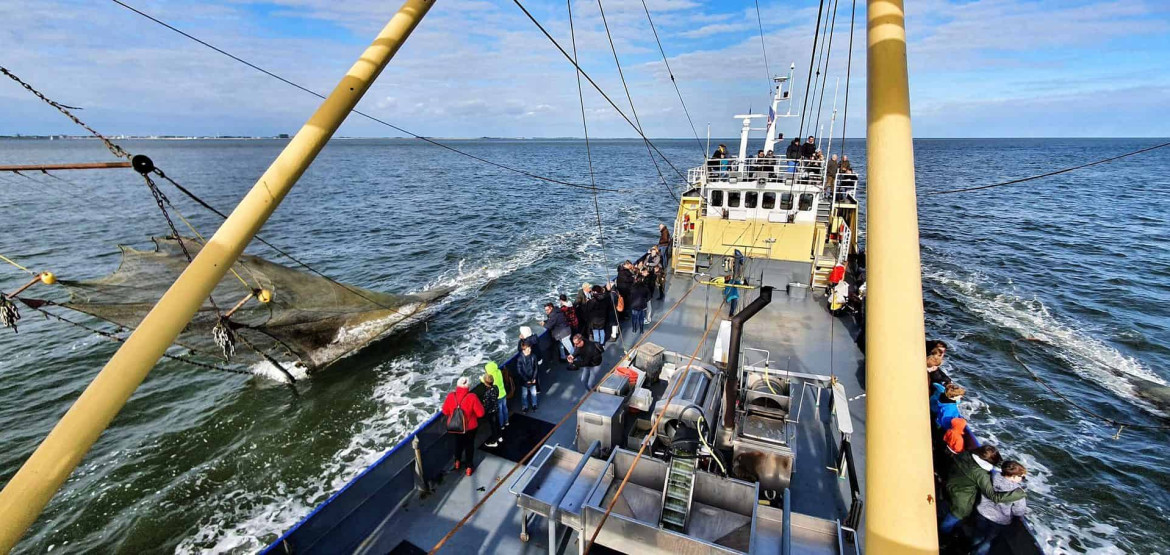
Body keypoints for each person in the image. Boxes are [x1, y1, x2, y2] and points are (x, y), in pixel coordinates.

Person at [941, 445, 1026, 534]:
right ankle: (943, 535)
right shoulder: (980, 474)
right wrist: (1019, 493)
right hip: (962, 496)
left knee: (950, 505)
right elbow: (994, 496)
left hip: (952, 484)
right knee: (957, 515)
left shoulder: (966, 454)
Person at [971, 461, 1028, 555]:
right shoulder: (1017, 492)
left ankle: (971, 548)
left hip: (982, 512)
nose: (1022, 479)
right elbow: (1018, 511)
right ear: (1013, 476)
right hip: (998, 520)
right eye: (1022, 477)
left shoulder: (991, 476)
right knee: (988, 540)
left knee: (978, 534)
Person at [442, 376, 485, 476]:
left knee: (458, 443)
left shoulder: (450, 396)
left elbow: (445, 411)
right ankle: (469, 467)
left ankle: (457, 462)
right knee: (469, 445)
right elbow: (480, 414)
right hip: (470, 427)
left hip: (455, 427)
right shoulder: (472, 397)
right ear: (468, 387)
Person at [479, 373, 502, 448]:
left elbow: (486, 405)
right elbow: (497, 395)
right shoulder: (495, 387)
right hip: (496, 408)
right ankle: (499, 436)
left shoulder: (487, 393)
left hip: (490, 411)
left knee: (493, 426)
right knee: (497, 423)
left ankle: (494, 441)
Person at [484, 361, 509, 429]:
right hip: (503, 393)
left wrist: (482, 378)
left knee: (500, 411)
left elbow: (488, 381)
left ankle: (501, 425)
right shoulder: (499, 372)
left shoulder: (492, 376)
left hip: (498, 397)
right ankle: (507, 421)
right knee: (505, 408)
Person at [516, 342, 539, 412]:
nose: (529, 350)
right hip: (524, 380)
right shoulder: (520, 359)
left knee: (534, 393)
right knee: (524, 394)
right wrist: (526, 380)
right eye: (527, 349)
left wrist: (534, 378)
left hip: (532, 378)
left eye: (530, 348)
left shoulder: (533, 356)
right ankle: (525, 406)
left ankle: (534, 404)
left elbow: (536, 368)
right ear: (523, 350)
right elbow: (520, 371)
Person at [627, 270, 651, 335]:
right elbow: (648, 297)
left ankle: (634, 329)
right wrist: (644, 300)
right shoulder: (645, 288)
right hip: (642, 305)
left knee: (634, 318)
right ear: (642, 280)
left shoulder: (632, 287)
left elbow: (629, 295)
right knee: (641, 318)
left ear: (636, 280)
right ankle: (641, 330)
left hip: (634, 305)